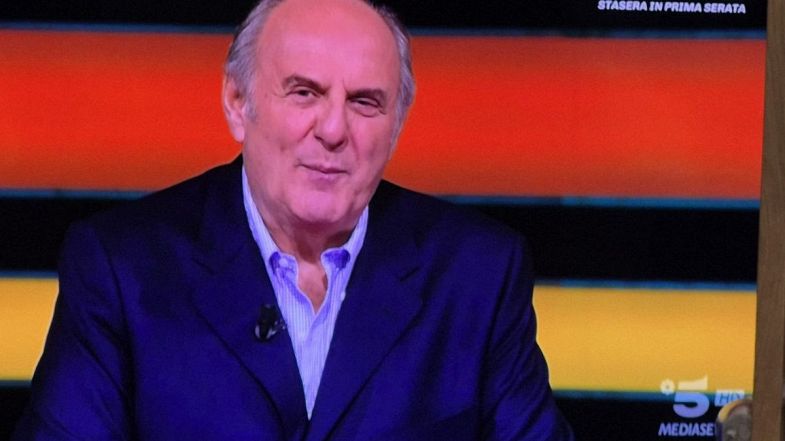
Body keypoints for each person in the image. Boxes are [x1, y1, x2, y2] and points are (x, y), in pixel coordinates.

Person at [14, 0, 573, 439]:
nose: (333, 130)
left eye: (365, 102)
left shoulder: (478, 276)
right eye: (304, 93)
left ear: (399, 122)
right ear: (238, 102)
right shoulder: (122, 268)